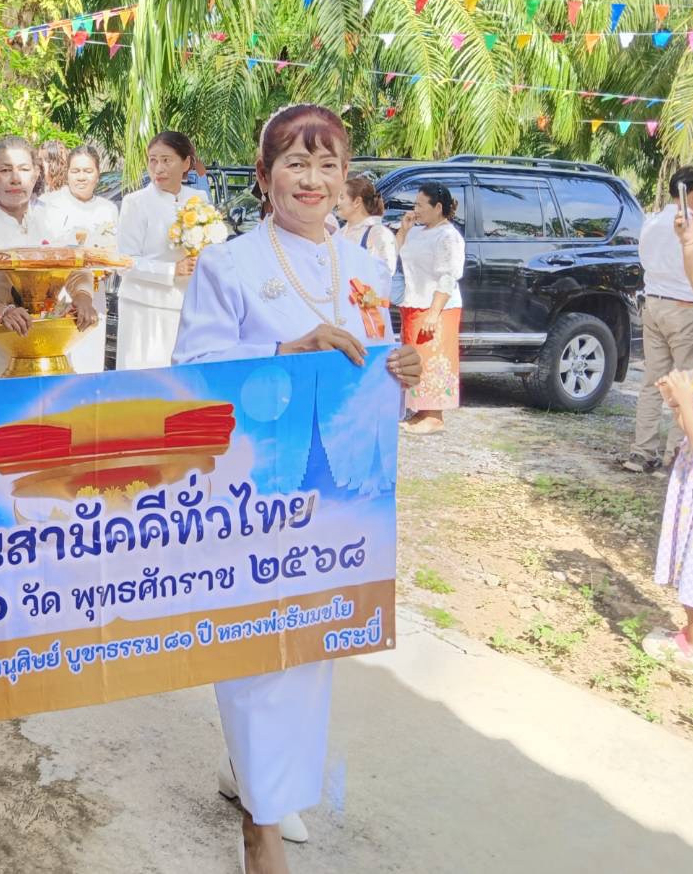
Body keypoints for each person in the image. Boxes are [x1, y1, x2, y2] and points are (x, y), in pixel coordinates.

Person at [173, 103, 422, 874]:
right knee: (256, 645)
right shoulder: (231, 264)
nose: (311, 180)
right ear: (264, 175)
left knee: (313, 646)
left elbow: (384, 374)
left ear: (346, 181)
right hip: (251, 494)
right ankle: (263, 832)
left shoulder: (371, 270)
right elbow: (196, 375)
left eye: (327, 165)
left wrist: (406, 376)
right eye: (295, 163)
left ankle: (261, 783)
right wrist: (286, 348)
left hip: (342, 494)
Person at [0, 136, 96, 381]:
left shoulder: (56, 219)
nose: (15, 179)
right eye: (5, 170)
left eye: (24, 169)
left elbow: (77, 265)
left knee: (44, 417)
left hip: (46, 346)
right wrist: (1, 312)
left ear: (37, 173)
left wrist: (83, 297)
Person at [622, 167, 693, 474]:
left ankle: (641, 452)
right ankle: (676, 456)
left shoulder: (651, 221)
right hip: (686, 309)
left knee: (653, 382)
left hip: (653, 305)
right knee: (688, 384)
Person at [117, 130, 201, 370]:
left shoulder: (199, 198)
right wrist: (171, 270)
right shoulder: (135, 202)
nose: (159, 168)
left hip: (186, 304)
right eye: (153, 160)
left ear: (186, 163)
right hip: (144, 307)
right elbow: (125, 261)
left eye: (167, 160)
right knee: (145, 380)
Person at [395, 182, 464, 434]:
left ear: (438, 208)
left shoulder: (448, 236)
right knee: (416, 358)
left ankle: (435, 415)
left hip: (438, 307)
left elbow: (448, 276)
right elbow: (399, 255)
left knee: (435, 358)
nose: (416, 209)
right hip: (414, 302)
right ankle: (420, 410)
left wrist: (434, 312)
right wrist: (403, 230)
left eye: (420, 205)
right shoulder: (417, 231)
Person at [646, 366, 693, 670]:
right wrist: (677, 402)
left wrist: (687, 401)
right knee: (691, 563)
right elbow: (692, 428)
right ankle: (692, 635)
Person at [45, 144, 119, 372]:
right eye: (75, 171)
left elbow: (115, 251)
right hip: (58, 292)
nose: (81, 177)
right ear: (67, 172)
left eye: (87, 171)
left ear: (98, 174)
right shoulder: (50, 204)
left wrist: (108, 264)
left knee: (90, 359)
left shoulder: (108, 208)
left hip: (94, 293)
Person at [336, 174, 397, 288]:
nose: (337, 202)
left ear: (357, 202)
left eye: (342, 197)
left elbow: (384, 277)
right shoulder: (340, 233)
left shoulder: (378, 234)